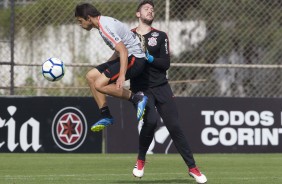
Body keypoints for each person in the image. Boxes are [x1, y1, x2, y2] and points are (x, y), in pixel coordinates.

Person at [130, 1, 207, 183]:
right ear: (138, 14)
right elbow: (121, 59)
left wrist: (148, 56)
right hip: (141, 89)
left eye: (152, 9)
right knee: (150, 122)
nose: (150, 10)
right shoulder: (129, 36)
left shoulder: (160, 35)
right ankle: (141, 160)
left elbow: (165, 64)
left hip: (162, 87)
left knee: (174, 126)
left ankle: (193, 168)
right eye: (146, 8)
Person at [74, 3, 148, 132]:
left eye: (80, 21)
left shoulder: (105, 27)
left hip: (135, 59)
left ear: (89, 18)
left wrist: (121, 75)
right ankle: (106, 115)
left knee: (99, 85)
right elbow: (119, 50)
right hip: (127, 56)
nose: (80, 25)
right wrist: (107, 67)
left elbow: (123, 50)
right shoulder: (103, 23)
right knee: (91, 76)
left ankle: (137, 98)